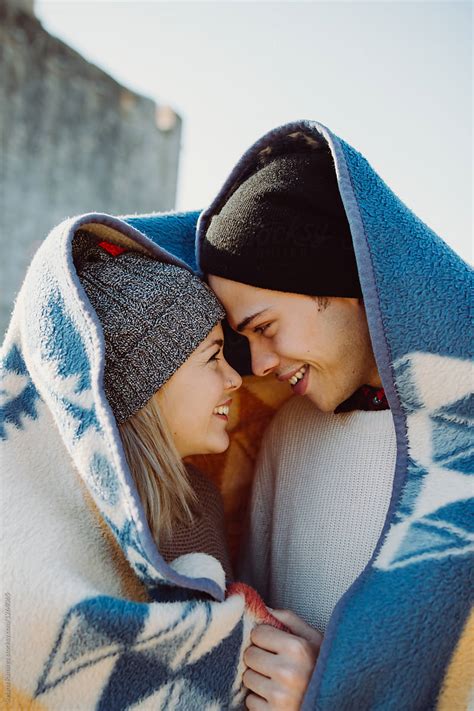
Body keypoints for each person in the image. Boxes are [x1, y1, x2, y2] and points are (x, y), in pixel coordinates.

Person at [197, 121, 473, 710]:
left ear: (340, 282)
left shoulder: (463, 446)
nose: (260, 364)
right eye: (244, 343)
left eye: (265, 328)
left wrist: (334, 693)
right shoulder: (286, 436)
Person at [1, 212, 320, 710]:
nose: (237, 379)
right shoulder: (44, 515)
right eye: (213, 356)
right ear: (150, 384)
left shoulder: (197, 507)